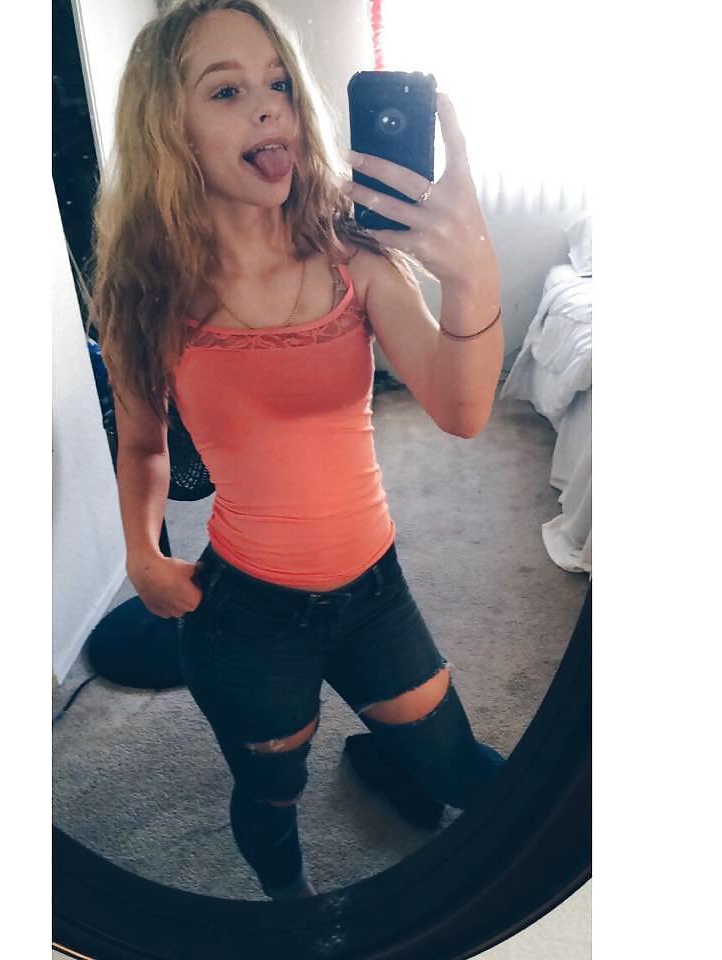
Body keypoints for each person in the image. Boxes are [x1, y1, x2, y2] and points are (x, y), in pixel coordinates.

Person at [91, 0, 505, 900]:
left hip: (376, 594)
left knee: (461, 772)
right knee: (271, 796)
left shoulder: (352, 257)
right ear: (171, 131)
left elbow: (463, 410)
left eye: (277, 82)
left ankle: (390, 763)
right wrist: (142, 555)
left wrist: (472, 272)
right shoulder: (148, 296)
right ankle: (290, 916)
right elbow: (143, 446)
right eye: (227, 91)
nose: (268, 105)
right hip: (246, 618)